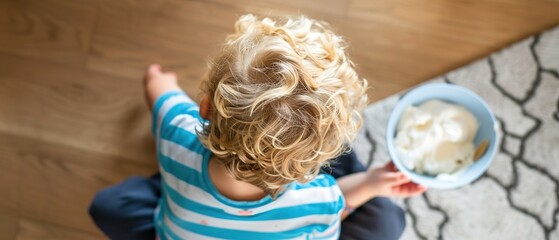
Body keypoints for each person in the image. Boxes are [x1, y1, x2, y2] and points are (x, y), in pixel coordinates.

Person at [89, 14, 426, 240]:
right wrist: (370, 183)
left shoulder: (176, 131)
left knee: (108, 206)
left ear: (204, 108)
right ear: (317, 162)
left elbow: (159, 94)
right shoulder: (318, 203)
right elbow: (340, 201)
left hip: (187, 203)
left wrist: (157, 78)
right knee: (386, 219)